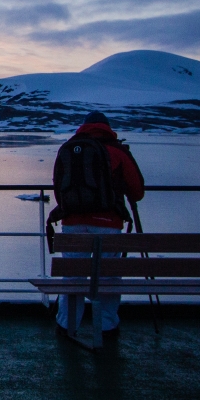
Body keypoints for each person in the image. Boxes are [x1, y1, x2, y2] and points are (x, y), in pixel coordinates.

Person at [49, 111, 144, 336]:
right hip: (108, 223)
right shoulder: (117, 151)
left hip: (72, 222)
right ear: (107, 127)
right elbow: (137, 191)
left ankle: (67, 325)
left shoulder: (71, 148)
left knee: (73, 277)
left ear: (83, 126)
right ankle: (107, 326)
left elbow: (59, 188)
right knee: (109, 277)